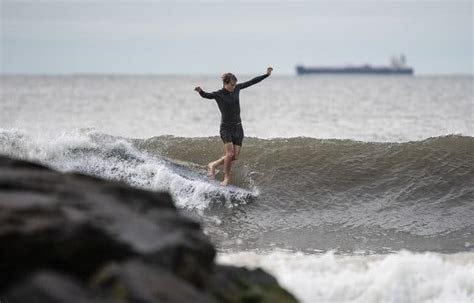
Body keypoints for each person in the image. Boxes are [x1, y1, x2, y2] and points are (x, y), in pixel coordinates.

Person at [194, 67, 273, 186]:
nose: (234, 86)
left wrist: (266, 75)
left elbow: (252, 81)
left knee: (234, 156)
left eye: (235, 84)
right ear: (225, 83)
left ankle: (213, 164)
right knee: (229, 154)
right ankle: (226, 178)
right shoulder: (219, 94)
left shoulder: (237, 89)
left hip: (238, 128)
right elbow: (207, 95)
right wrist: (200, 91)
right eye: (231, 84)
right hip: (226, 128)